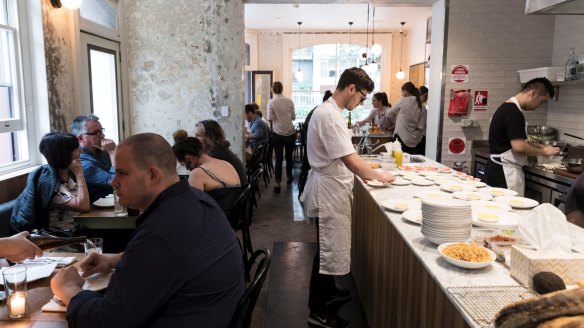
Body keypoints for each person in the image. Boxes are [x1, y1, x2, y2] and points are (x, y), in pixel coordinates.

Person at [50, 133, 245, 327]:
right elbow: (177, 255)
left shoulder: (160, 231)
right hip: (217, 313)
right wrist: (114, 260)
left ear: (153, 175)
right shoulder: (195, 198)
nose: (113, 182)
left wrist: (69, 289)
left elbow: (107, 321)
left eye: (121, 173)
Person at [300, 67, 395, 328]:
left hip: (331, 187)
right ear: (351, 88)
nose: (362, 102)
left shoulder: (332, 112)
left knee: (327, 248)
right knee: (326, 251)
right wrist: (381, 176)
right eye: (363, 96)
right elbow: (352, 162)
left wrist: (371, 171)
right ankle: (318, 312)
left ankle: (329, 293)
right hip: (328, 191)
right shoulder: (329, 115)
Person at [485, 77, 560, 196]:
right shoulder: (514, 113)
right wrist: (543, 152)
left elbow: (515, 140)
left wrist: (540, 145)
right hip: (504, 173)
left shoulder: (506, 107)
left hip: (496, 169)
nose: (539, 106)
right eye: (541, 101)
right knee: (508, 212)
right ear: (533, 94)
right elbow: (519, 147)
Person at [10, 132, 90, 233]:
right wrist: (80, 175)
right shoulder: (48, 183)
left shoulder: (68, 173)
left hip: (77, 231)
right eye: (74, 149)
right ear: (61, 153)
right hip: (60, 238)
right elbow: (83, 205)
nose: (79, 151)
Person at [173, 135, 241, 218]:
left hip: (218, 220)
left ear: (188, 159)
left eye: (185, 165)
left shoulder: (197, 173)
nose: (188, 169)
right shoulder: (225, 163)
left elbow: (193, 206)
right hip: (234, 215)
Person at [70, 114, 116, 201]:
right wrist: (113, 152)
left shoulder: (102, 150)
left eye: (101, 131)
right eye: (96, 133)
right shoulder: (81, 163)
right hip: (99, 209)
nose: (102, 136)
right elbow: (116, 183)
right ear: (80, 139)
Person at [195, 119, 248, 188]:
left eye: (198, 136)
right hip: (239, 192)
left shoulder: (215, 155)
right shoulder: (220, 149)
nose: (195, 139)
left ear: (209, 137)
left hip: (235, 194)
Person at [267, 81, 296, 193]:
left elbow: (269, 117)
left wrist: (276, 117)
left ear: (273, 90)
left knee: (278, 159)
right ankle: (289, 177)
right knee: (289, 157)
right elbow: (293, 117)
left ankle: (277, 184)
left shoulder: (271, 102)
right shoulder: (289, 101)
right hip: (290, 133)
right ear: (282, 89)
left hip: (277, 134)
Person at [387, 82, 427, 155]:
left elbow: (389, 114)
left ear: (405, 91)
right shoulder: (422, 106)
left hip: (400, 137)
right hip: (413, 140)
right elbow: (421, 127)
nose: (401, 94)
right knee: (410, 163)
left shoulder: (402, 100)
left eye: (401, 92)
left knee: (397, 161)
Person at [418, 85, 429, 155]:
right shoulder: (422, 107)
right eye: (425, 96)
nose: (427, 98)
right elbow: (426, 123)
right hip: (421, 135)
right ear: (419, 95)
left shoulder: (422, 107)